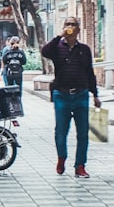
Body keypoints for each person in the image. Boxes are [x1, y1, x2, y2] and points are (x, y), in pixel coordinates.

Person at [41, 16, 100, 178]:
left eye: (73, 24)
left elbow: (89, 72)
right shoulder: (57, 47)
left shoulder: (84, 50)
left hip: (81, 95)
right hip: (62, 94)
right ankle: (61, 158)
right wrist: (59, 36)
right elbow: (45, 52)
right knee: (61, 130)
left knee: (83, 133)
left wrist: (95, 95)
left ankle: (80, 165)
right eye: (67, 24)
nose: (70, 27)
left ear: (79, 29)